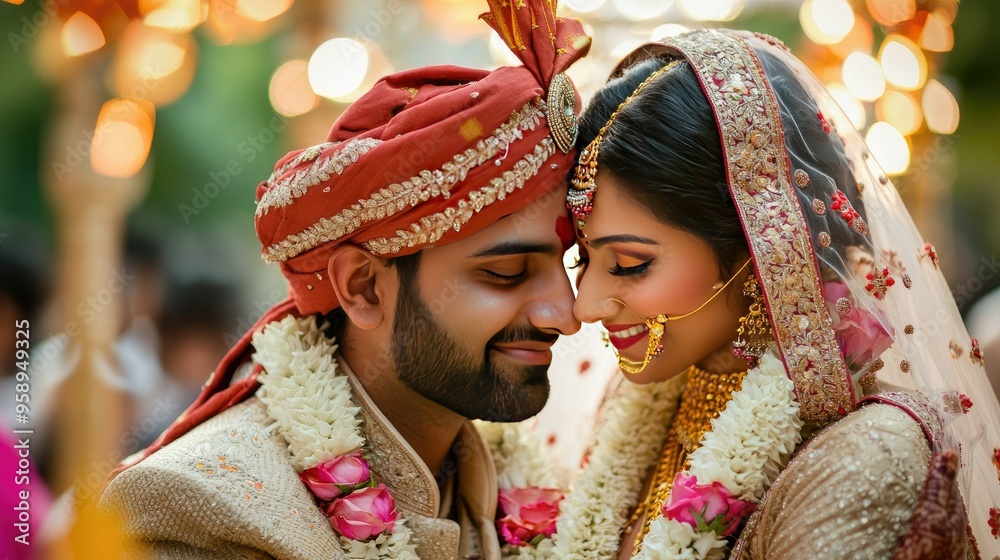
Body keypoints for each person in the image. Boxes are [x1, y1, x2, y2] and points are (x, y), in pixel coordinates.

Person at [100, 1, 589, 558]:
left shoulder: (522, 485)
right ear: (362, 287)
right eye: (505, 272)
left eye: (571, 263)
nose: (566, 312)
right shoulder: (203, 507)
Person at [556, 29, 1000, 559]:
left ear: (762, 246)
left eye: (629, 264)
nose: (582, 306)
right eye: (584, 259)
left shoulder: (864, 459)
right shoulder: (646, 405)